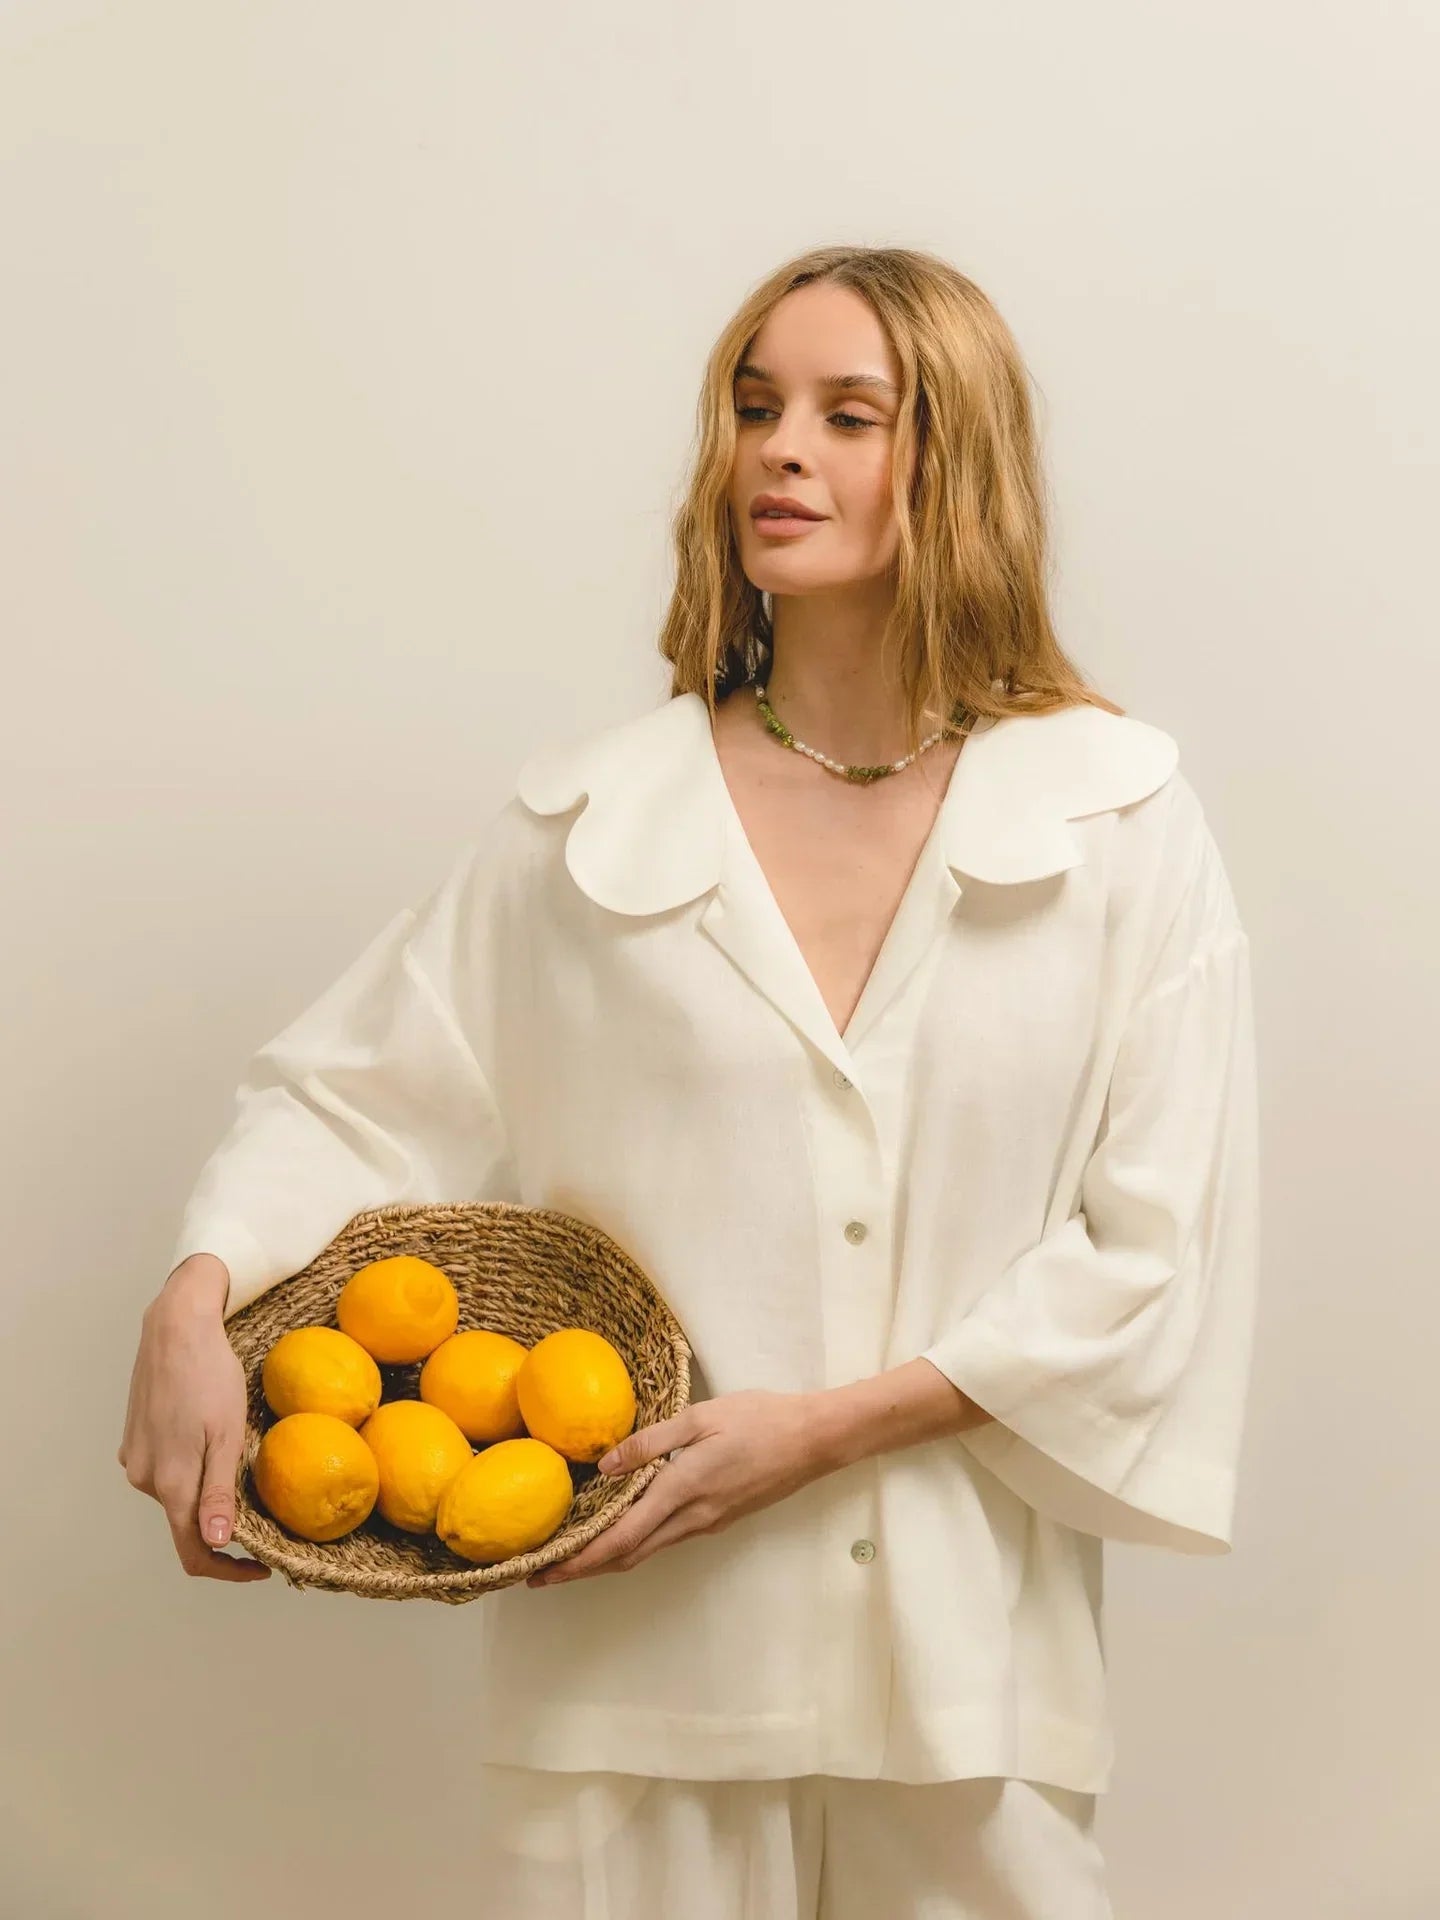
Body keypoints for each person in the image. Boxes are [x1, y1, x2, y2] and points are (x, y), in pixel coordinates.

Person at [118, 245, 1260, 1918]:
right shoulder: (589, 829)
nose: (777, 451)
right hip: (631, 1665)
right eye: (752, 407)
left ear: (963, 466)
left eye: (848, 414)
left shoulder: (1118, 823)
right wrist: (191, 1295)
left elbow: (1152, 1251)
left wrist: (825, 1432)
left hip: (969, 1686)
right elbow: (347, 1097)